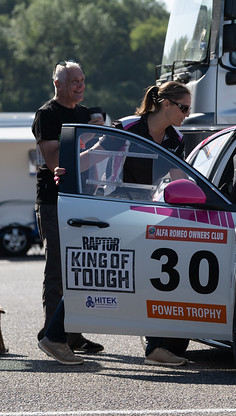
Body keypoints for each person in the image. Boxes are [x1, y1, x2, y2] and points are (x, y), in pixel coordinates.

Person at [39, 81, 192, 366]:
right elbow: (93, 156)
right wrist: (65, 170)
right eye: (183, 107)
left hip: (146, 212)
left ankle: (156, 347)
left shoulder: (176, 140)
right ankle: (54, 337)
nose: (186, 113)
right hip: (111, 209)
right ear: (166, 104)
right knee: (96, 276)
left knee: (152, 277)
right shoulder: (127, 127)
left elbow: (179, 179)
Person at [32, 60, 105, 361]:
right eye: (73, 80)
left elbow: (95, 164)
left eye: (83, 79)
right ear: (58, 84)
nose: (80, 84)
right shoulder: (46, 115)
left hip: (82, 198)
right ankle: (52, 335)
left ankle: (72, 333)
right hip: (54, 201)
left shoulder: (85, 114)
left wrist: (103, 141)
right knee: (58, 271)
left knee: (79, 269)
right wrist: (98, 146)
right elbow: (56, 163)